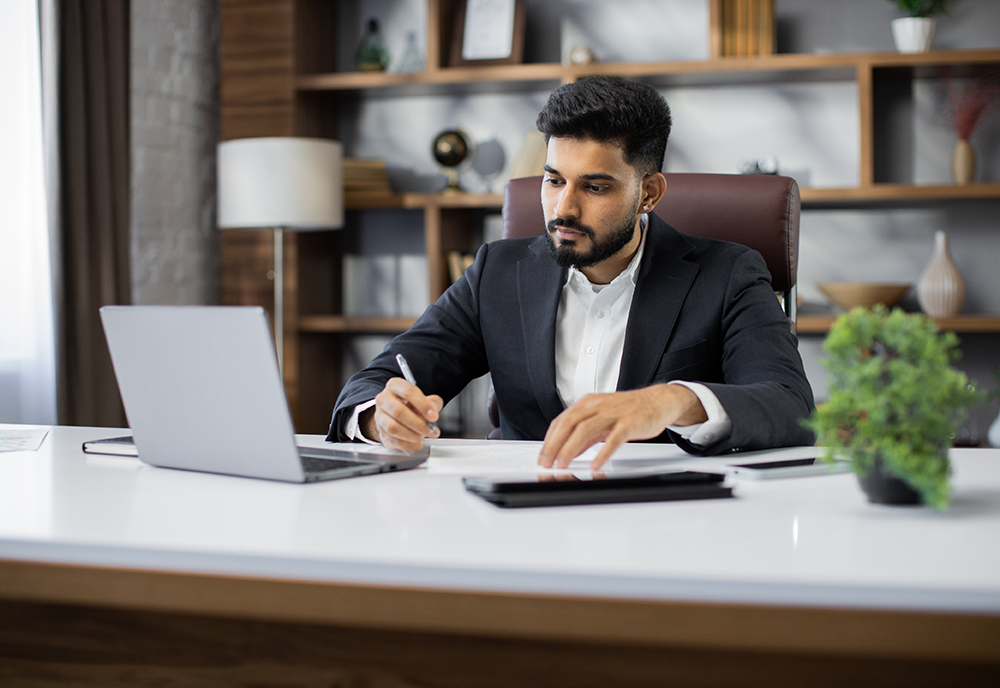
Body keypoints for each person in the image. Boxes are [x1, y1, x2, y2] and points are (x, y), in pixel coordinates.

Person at [328, 75, 815, 469]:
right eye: (553, 180)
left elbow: (790, 405)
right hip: (519, 518)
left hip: (666, 524)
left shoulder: (727, 274)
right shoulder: (497, 271)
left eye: (595, 187)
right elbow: (376, 381)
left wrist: (670, 402)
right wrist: (379, 417)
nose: (564, 207)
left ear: (649, 193)